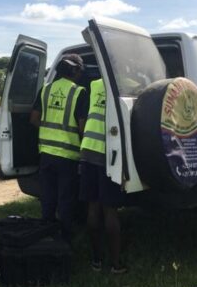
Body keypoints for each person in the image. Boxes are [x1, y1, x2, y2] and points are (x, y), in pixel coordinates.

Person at [30, 54, 88, 242]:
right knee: (66, 198)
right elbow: (81, 127)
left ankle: (45, 233)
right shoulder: (79, 92)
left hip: (46, 153)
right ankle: (64, 238)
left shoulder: (45, 90)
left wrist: (50, 130)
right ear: (75, 70)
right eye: (80, 70)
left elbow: (34, 119)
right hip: (68, 155)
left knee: (48, 196)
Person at [79, 78, 127, 274]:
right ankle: (116, 264)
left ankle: (96, 261)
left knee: (93, 207)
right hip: (108, 155)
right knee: (110, 210)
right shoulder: (125, 85)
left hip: (88, 149)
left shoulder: (94, 85)